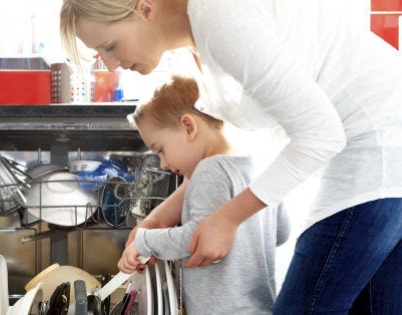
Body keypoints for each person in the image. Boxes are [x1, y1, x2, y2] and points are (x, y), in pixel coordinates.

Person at [60, 0, 402, 313]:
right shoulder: (197, 39)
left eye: (110, 46)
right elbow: (249, 148)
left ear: (144, 9)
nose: (110, 64)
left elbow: (320, 136)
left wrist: (225, 219)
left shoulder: (221, 18)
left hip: (374, 155)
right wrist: (163, 214)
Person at [118, 75, 290, 314]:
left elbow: (195, 239)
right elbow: (281, 232)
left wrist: (145, 241)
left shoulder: (210, 170)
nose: (163, 164)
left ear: (188, 127)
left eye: (161, 150)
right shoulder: (257, 166)